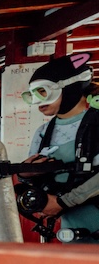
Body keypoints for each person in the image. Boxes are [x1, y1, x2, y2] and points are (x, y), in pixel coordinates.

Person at [20, 53, 99, 243]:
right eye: (33, 95)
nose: (38, 101)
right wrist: (27, 174)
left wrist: (64, 201)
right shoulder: (43, 132)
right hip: (72, 232)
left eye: (43, 92)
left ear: (70, 86)